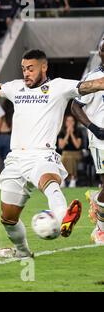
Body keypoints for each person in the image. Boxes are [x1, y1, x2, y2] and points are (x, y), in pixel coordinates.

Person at [0, 44, 104, 258]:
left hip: (42, 154)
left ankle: (62, 217)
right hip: (15, 159)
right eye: (23, 69)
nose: (26, 73)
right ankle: (22, 252)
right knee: (8, 217)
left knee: (48, 180)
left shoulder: (59, 87)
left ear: (44, 68)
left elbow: (92, 85)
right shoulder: (15, 88)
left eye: (30, 68)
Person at [71, 38, 104, 244]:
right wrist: (94, 128)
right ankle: (100, 231)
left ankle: (96, 197)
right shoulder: (94, 78)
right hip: (101, 140)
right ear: (100, 53)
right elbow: (75, 107)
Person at [57, 115, 82, 188]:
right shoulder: (61, 132)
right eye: (68, 121)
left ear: (74, 122)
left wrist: (71, 134)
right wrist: (67, 134)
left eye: (72, 121)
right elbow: (61, 146)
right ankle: (63, 179)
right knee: (64, 157)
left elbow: (77, 146)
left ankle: (72, 179)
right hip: (65, 153)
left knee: (70, 157)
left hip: (76, 153)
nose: (70, 122)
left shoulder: (78, 131)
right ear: (65, 122)